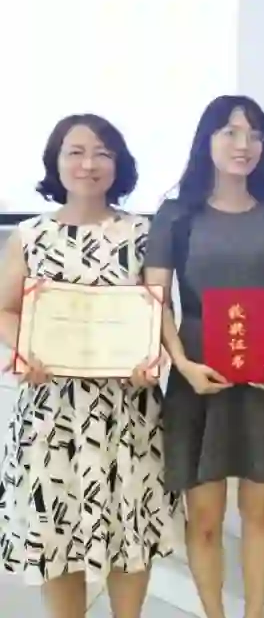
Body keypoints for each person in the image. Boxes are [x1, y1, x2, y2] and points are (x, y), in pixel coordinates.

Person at [0, 115, 183, 618]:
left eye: (102, 152)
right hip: (51, 414)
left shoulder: (144, 233)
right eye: (75, 152)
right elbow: (5, 309)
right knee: (56, 535)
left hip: (128, 411)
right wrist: (25, 349)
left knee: (131, 532)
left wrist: (153, 358)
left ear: (119, 164)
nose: (88, 163)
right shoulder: (30, 235)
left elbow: (159, 311)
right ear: (55, 162)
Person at [144, 96, 264, 618]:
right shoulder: (176, 215)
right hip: (199, 375)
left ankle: (254, 613)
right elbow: (156, 299)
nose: (244, 145)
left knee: (260, 509)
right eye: (231, 133)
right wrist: (182, 364)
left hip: (261, 376)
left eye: (255, 135)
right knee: (205, 517)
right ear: (207, 140)